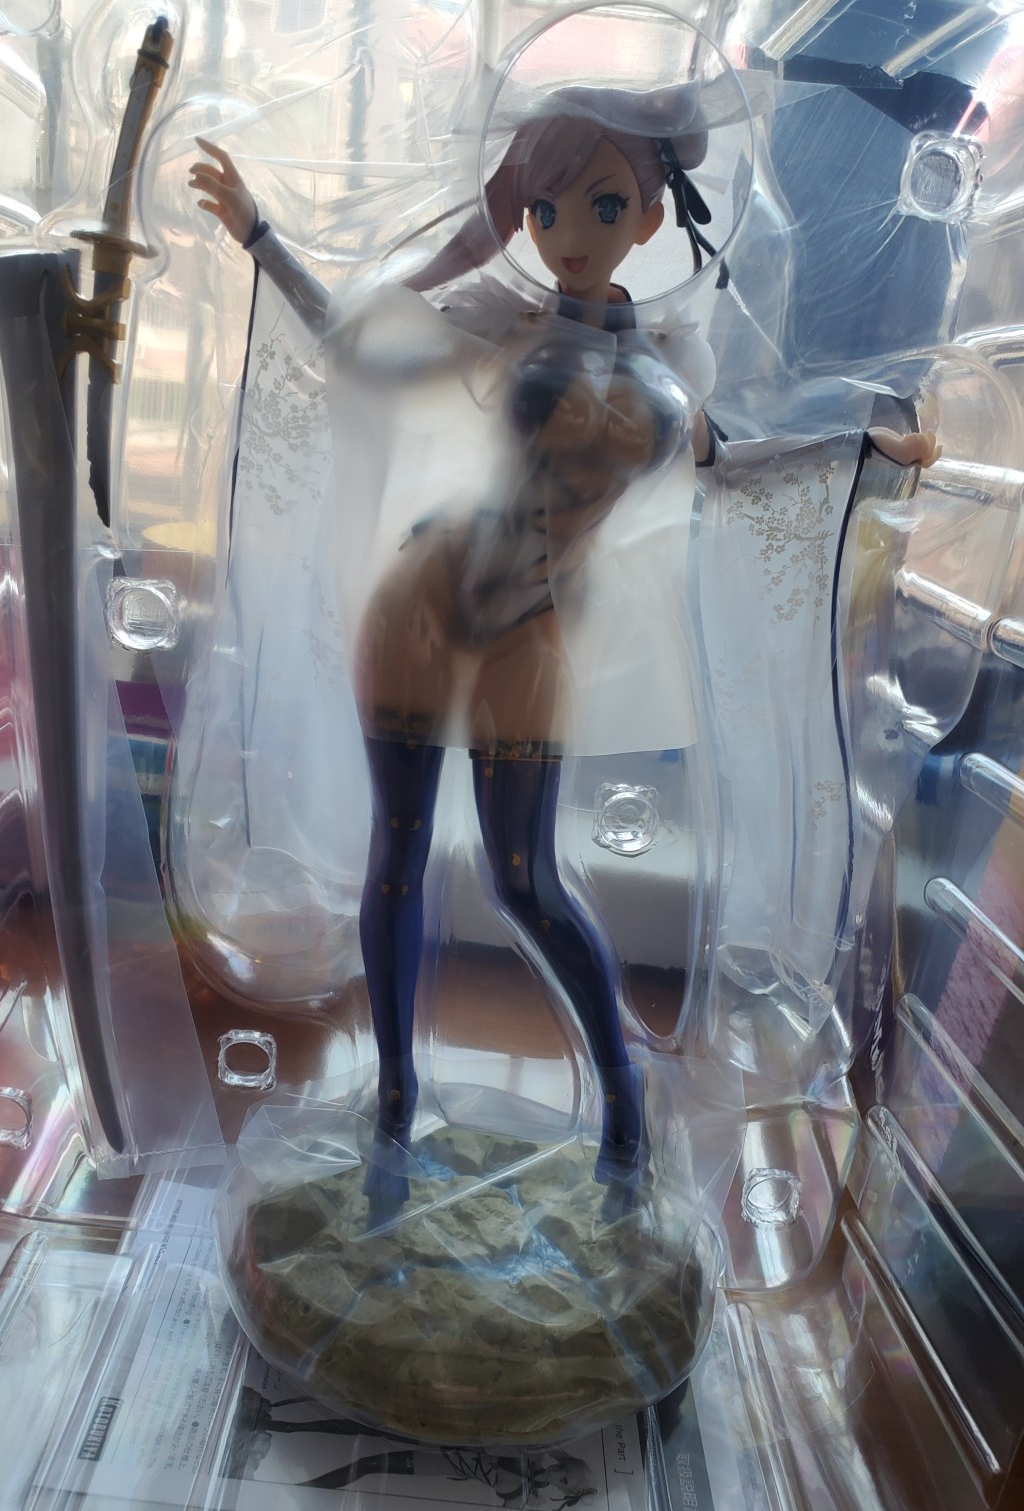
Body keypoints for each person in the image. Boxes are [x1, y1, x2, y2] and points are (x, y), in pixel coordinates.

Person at [189, 89, 937, 1218]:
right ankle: (392, 1106)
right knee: (397, 860)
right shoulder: (506, 317)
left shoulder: (676, 362)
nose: (570, 232)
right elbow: (360, 341)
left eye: (602, 204)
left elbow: (734, 463)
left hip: (531, 632)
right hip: (423, 598)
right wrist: (261, 233)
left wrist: (870, 451)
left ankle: (624, 1103)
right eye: (543, 208)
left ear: (652, 216)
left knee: (526, 877)